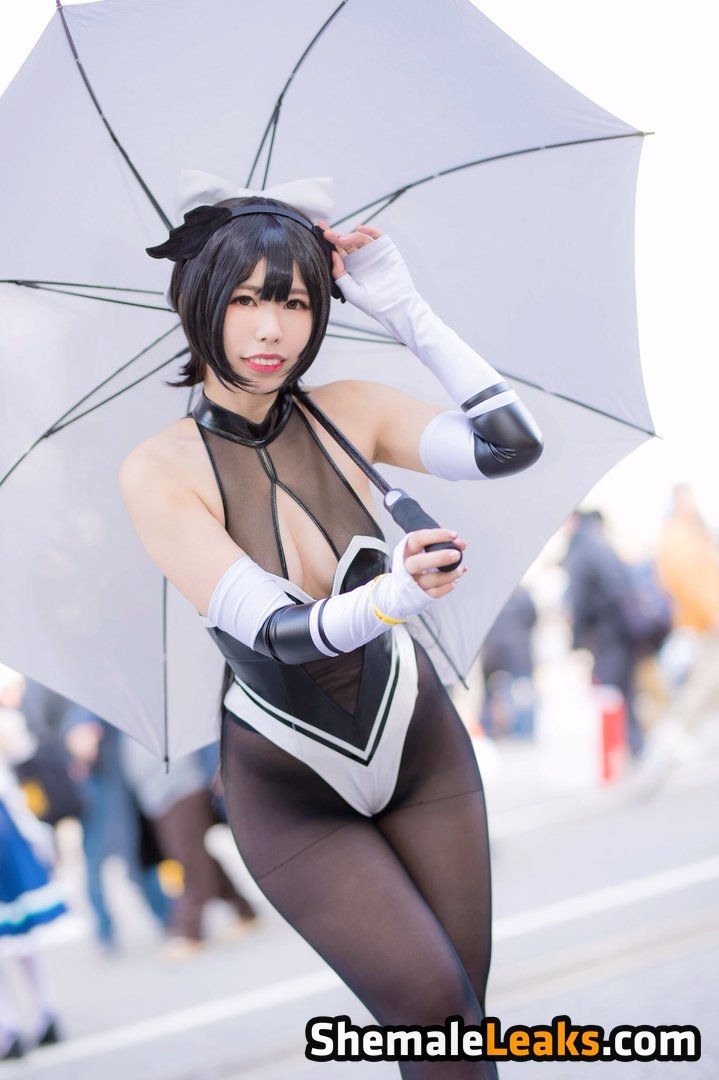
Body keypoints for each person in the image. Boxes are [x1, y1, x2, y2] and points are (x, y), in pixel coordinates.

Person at [120, 173, 543, 1078]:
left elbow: (509, 444)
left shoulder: (353, 410)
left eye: (295, 301)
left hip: (419, 746)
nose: (271, 329)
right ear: (198, 302)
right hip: (290, 784)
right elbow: (277, 630)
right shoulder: (158, 470)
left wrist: (404, 310)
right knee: (429, 1007)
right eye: (244, 300)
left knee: (458, 1031)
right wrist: (394, 595)